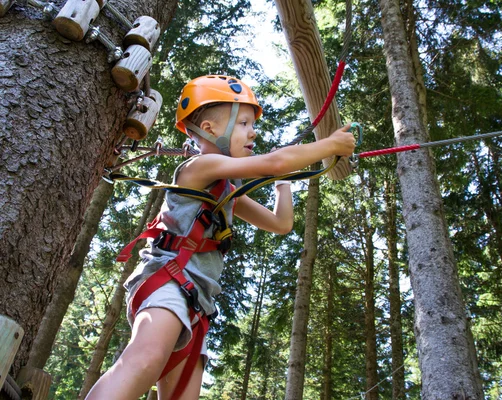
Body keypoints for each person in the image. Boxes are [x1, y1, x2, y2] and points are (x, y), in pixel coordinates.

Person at [86, 75, 356, 400]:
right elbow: (275, 162)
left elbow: (280, 223)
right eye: (243, 122)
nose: (253, 131)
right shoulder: (200, 166)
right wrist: (331, 145)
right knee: (143, 362)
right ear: (211, 130)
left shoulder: (227, 192)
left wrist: (283, 183)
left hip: (196, 302)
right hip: (169, 283)